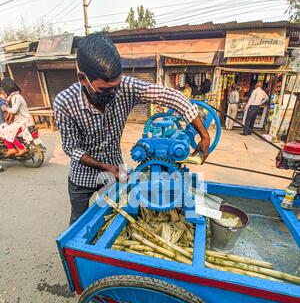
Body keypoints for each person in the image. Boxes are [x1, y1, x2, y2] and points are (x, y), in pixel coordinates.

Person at [53, 33, 210, 225]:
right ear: (83, 79)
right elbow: (71, 148)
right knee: (78, 223)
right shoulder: (65, 102)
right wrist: (106, 167)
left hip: (115, 173)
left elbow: (173, 97)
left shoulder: (126, 87)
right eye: (104, 90)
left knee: (114, 218)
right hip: (82, 177)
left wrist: (203, 134)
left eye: (116, 87)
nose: (113, 93)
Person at [0, 78, 33, 157]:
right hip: (20, 120)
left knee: (5, 131)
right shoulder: (12, 97)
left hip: (23, 121)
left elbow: (14, 110)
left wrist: (5, 108)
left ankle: (19, 148)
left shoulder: (16, 97)